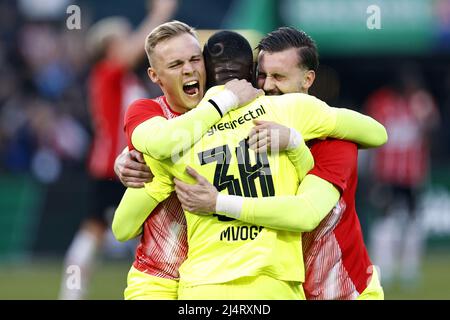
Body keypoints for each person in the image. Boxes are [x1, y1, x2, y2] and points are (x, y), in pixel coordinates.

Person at [113, 29, 387, 299]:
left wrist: (218, 201)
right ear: (249, 75)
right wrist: (128, 157)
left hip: (338, 289)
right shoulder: (293, 112)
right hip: (268, 284)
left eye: (279, 77)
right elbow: (377, 133)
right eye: (262, 76)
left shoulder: (332, 141)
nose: (268, 86)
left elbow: (306, 214)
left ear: (308, 80)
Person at [58, 0, 178, 300]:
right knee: (94, 232)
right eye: (122, 37)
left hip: (122, 165)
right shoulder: (107, 72)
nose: (131, 41)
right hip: (112, 167)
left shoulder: (122, 78)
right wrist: (161, 13)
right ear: (109, 46)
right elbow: (136, 48)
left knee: (100, 231)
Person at [365, 64, 440, 288]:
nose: (411, 87)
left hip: (413, 175)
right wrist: (371, 172)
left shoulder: (421, 103)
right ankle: (383, 269)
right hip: (386, 175)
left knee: (413, 221)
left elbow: (433, 136)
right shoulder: (380, 102)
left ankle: (409, 270)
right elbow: (369, 137)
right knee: (385, 222)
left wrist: (426, 118)